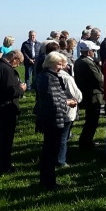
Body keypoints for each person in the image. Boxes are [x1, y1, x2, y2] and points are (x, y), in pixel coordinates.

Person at [34, 51, 77, 189]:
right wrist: (68, 102)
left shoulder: (42, 76)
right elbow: (54, 100)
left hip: (47, 117)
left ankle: (46, 180)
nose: (62, 66)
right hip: (54, 118)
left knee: (49, 150)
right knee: (51, 151)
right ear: (51, 63)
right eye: (59, 63)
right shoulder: (50, 78)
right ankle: (49, 182)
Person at [0, 50, 26, 173]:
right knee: (5, 139)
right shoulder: (7, 70)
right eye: (18, 62)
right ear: (13, 58)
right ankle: (4, 166)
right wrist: (21, 89)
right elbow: (10, 91)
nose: (18, 65)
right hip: (6, 108)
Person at [74, 40, 104, 152]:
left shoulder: (79, 61)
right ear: (88, 52)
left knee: (90, 120)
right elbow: (99, 79)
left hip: (88, 94)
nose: (94, 53)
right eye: (93, 51)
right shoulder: (87, 63)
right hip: (92, 95)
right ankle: (86, 143)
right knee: (92, 121)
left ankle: (86, 141)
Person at [56, 59, 82, 167]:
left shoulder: (47, 75)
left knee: (55, 136)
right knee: (63, 136)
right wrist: (77, 100)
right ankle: (61, 160)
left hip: (53, 110)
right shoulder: (67, 78)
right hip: (67, 109)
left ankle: (54, 157)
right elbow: (77, 95)